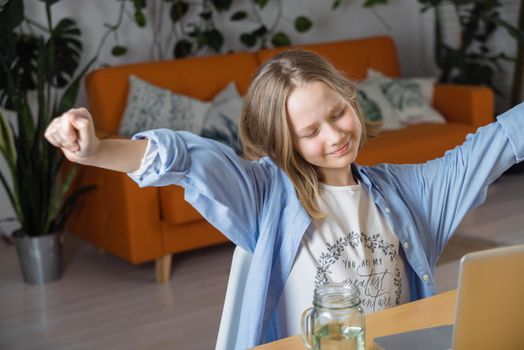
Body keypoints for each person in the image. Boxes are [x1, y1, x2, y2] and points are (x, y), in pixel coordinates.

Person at [44, 49, 524, 349]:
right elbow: (188, 159)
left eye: (338, 113)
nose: (336, 135)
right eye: (310, 131)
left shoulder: (410, 193)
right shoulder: (265, 196)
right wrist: (98, 150)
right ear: (282, 142)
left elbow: (495, 144)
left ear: (351, 100)